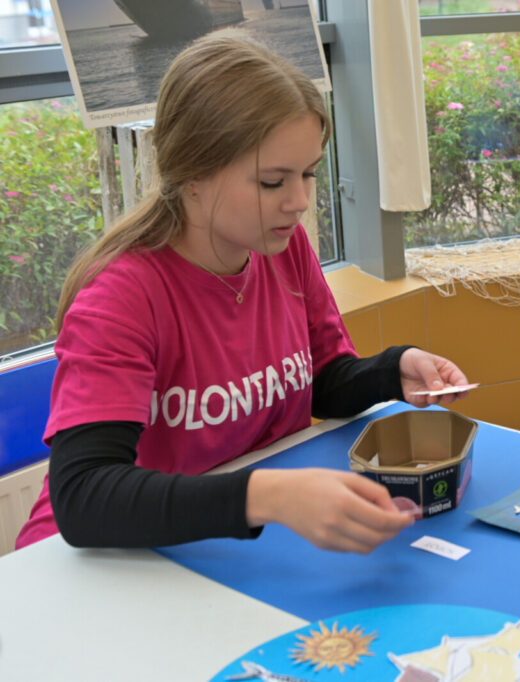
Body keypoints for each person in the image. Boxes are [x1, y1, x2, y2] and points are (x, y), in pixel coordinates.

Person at [16, 36, 470, 554]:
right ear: (193, 176)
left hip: (208, 549)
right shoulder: (122, 297)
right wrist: (266, 493)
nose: (299, 202)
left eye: (307, 174)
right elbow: (84, 497)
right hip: (92, 564)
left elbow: (318, 382)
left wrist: (393, 371)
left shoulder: (281, 246)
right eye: (272, 182)